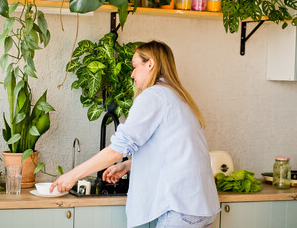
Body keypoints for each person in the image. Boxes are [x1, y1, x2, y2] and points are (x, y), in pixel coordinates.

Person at [50, 40, 220, 228]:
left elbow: (116, 150)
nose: (132, 74)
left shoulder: (154, 96)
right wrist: (128, 165)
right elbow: (176, 152)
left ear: (150, 64)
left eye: (134, 66)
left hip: (181, 209)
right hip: (201, 208)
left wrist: (72, 175)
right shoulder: (178, 97)